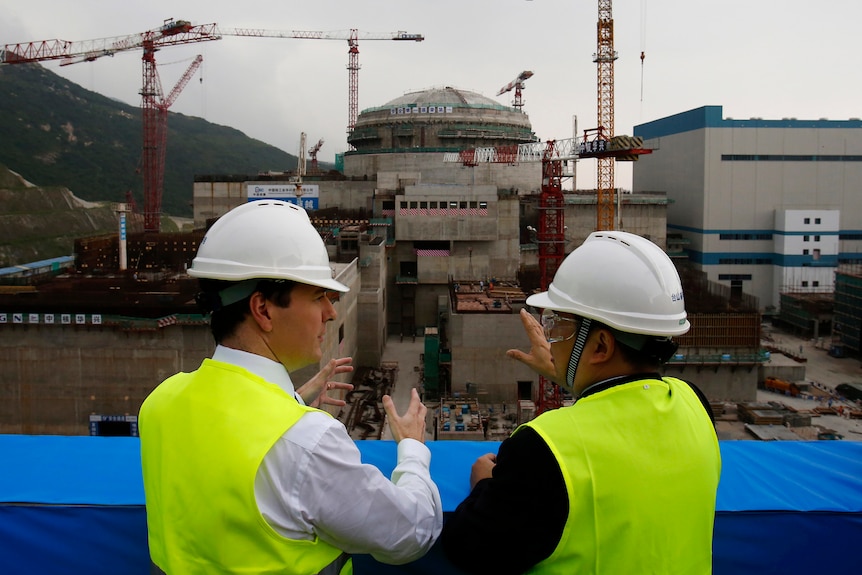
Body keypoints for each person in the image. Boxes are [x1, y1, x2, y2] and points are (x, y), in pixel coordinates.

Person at [139, 199, 442, 575]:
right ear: (263, 310)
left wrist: (292, 399)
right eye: (318, 297)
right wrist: (412, 448)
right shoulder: (307, 441)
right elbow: (413, 532)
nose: (331, 313)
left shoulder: (161, 402)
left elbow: (229, 453)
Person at [441, 230, 721, 574]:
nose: (550, 339)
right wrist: (572, 374)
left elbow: (468, 548)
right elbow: (623, 410)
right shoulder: (695, 404)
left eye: (558, 327)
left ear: (601, 346)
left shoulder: (544, 447)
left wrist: (484, 483)